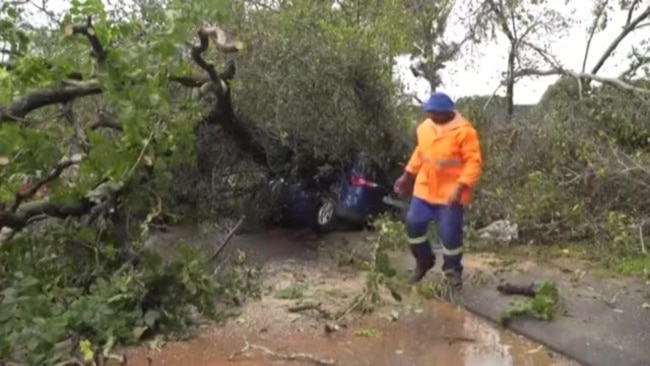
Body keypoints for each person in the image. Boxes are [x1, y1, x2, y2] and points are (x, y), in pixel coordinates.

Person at [393, 92, 483, 288]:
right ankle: (424, 261)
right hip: (425, 188)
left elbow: (473, 163)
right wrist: (407, 175)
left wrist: (460, 188)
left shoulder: (465, 132)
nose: (431, 115)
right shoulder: (424, 128)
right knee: (413, 224)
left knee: (450, 234)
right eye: (429, 112)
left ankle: (452, 271)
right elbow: (420, 153)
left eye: (435, 113)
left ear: (448, 113)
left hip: (451, 193)